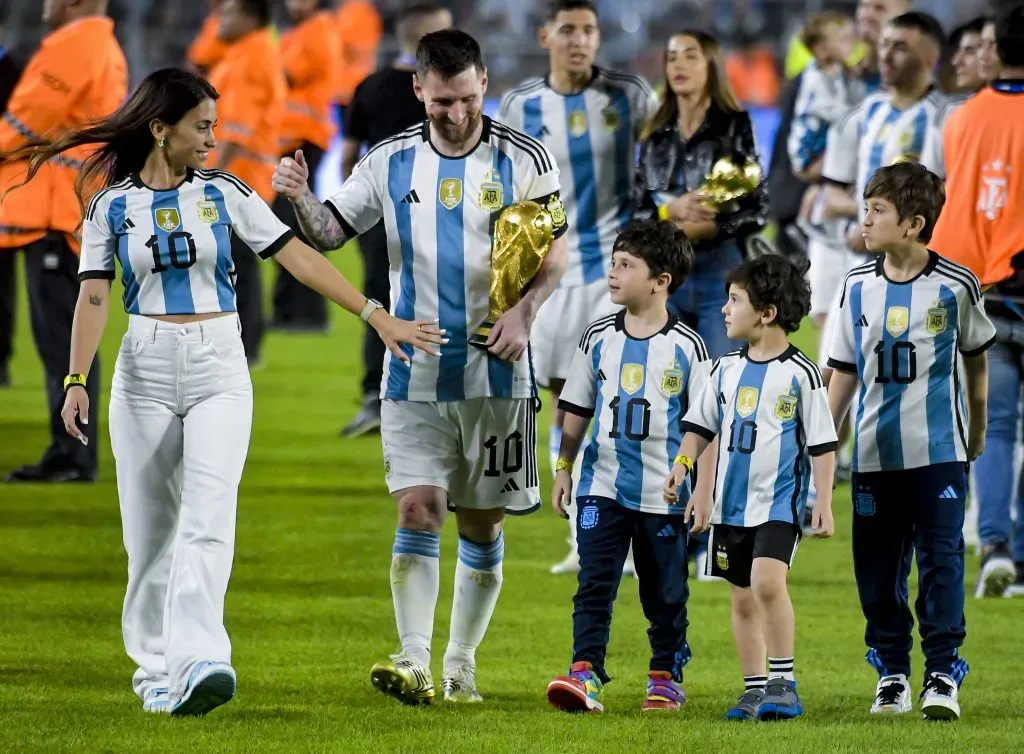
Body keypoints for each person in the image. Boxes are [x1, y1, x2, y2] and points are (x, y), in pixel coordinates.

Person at [0, 68, 443, 717]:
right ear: (161, 129)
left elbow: (298, 257)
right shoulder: (109, 205)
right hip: (143, 372)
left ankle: (203, 659)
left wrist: (373, 313)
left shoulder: (228, 193)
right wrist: (74, 380)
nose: (214, 138)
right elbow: (93, 293)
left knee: (208, 520)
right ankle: (155, 669)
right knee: (150, 534)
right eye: (202, 126)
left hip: (218, 368)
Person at [273, 29, 569, 705]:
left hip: (498, 373)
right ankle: (413, 662)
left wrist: (526, 313)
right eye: (441, 102)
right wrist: (296, 193)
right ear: (419, 89)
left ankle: (462, 664)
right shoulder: (390, 160)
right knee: (418, 507)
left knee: (481, 523)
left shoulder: (523, 158)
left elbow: (552, 253)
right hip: (413, 370)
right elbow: (330, 232)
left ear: (484, 84)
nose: (456, 114)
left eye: (465, 98)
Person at [826, 162, 995, 720]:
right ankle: (893, 673)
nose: (865, 219)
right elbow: (844, 373)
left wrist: (979, 421)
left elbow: (975, 359)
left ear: (914, 224)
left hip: (940, 454)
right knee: (877, 570)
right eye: (866, 206)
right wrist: (825, 443)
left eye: (877, 210)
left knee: (941, 561)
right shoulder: (856, 287)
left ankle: (943, 672)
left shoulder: (956, 285)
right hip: (873, 457)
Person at [497, 0, 657, 576]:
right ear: (545, 35)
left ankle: (633, 536)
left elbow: (664, 157)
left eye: (589, 31)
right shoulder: (520, 105)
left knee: (623, 399)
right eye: (568, 30)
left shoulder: (631, 95)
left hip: (618, 270)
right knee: (569, 403)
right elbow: (510, 190)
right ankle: (581, 532)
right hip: (555, 273)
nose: (579, 41)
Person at [545, 220, 710, 714]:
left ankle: (665, 673)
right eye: (613, 262)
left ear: (661, 281)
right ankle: (585, 672)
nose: (612, 274)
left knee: (665, 591)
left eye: (625, 266)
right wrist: (563, 467)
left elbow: (704, 424)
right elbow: (575, 409)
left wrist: (701, 490)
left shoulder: (688, 346)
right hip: (603, 484)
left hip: (663, 493)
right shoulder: (597, 337)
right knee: (595, 580)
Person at [664, 254, 837, 722]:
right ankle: (754, 688)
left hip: (778, 504)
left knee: (766, 580)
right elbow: (699, 429)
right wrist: (684, 469)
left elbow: (822, 445)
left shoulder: (801, 374)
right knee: (741, 595)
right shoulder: (723, 370)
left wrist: (822, 501)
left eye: (735, 300)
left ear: (767, 313)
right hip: (729, 508)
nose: (724, 309)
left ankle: (783, 681)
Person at [633, 29, 768, 578]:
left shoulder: (733, 127)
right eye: (671, 56)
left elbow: (757, 206)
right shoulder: (656, 131)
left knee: (719, 402)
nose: (678, 65)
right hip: (668, 276)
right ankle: (677, 529)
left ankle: (719, 531)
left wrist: (715, 220)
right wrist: (670, 214)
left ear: (711, 64)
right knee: (670, 407)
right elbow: (637, 206)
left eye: (690, 55)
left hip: (717, 276)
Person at [814, 10, 949, 509]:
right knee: (834, 376)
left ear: (930, 57)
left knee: (931, 382)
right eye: (885, 44)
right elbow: (831, 196)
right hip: (866, 272)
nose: (886, 54)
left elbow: (956, 194)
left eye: (900, 47)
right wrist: (866, 220)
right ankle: (817, 483)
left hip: (930, 275)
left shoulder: (947, 118)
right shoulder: (861, 116)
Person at [0, 0, 127, 483]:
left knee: (62, 343)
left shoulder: (77, 45)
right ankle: (70, 450)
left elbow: (24, 127)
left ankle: (73, 455)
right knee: (64, 341)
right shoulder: (97, 45)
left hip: (55, 210)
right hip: (65, 209)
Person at [929, 4, 1024, 599]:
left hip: (983, 291)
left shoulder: (963, 119)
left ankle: (993, 546)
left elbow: (962, 205)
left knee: (997, 424)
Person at [339, 2, 454, 438]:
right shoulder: (451, 93)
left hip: (378, 215)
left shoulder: (369, 86)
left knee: (378, 302)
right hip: (441, 213)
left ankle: (377, 393)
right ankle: (435, 395)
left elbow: (349, 157)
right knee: (443, 298)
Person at [206, 0, 286, 367]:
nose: (220, 18)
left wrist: (209, 174)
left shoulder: (252, 56)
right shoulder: (248, 52)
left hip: (239, 173)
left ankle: (245, 343)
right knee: (237, 261)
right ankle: (245, 341)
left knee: (237, 262)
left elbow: (236, 125)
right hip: (243, 171)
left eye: (228, 12)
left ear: (251, 17)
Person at [269, 0, 342, 332]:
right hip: (291, 138)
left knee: (295, 224)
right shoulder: (300, 33)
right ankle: (290, 311)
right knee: (289, 224)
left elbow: (286, 74)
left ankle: (308, 314)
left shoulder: (318, 32)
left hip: (305, 138)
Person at [0, 37, 22, 388]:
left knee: (1, 283)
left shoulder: (13, 71)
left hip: (7, 191)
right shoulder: (16, 70)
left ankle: (1, 360)